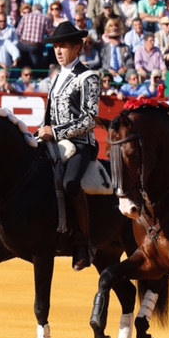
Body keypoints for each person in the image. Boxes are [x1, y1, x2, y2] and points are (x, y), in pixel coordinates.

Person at [38, 21, 101, 272]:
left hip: (80, 143)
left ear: (78, 48)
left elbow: (89, 119)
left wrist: (55, 131)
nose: (58, 50)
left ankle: (83, 243)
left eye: (63, 46)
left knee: (70, 183)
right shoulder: (56, 77)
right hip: (54, 140)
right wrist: (40, 132)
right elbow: (49, 115)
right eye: (56, 46)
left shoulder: (88, 76)